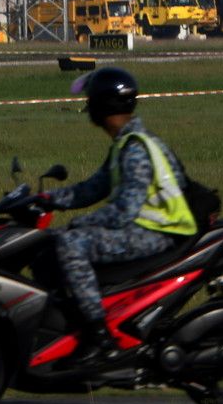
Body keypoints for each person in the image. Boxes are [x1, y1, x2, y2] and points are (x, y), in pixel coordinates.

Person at [38, 67, 196, 368]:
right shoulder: (127, 143)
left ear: (104, 106)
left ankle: (100, 340)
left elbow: (125, 211)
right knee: (53, 242)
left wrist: (79, 223)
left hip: (158, 232)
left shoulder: (136, 149)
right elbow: (94, 188)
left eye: (92, 101)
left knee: (71, 245)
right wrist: (46, 199)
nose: (88, 108)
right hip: (147, 228)